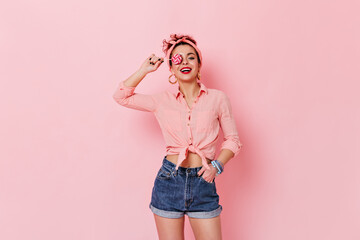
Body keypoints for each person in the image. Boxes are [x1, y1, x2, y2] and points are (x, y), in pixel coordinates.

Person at [112, 33, 243, 240]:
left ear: (199, 65)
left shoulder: (218, 99)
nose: (185, 61)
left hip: (203, 182)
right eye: (178, 58)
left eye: (191, 57)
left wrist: (217, 166)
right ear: (171, 69)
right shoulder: (161, 101)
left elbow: (233, 140)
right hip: (169, 180)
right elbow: (121, 96)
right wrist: (144, 70)